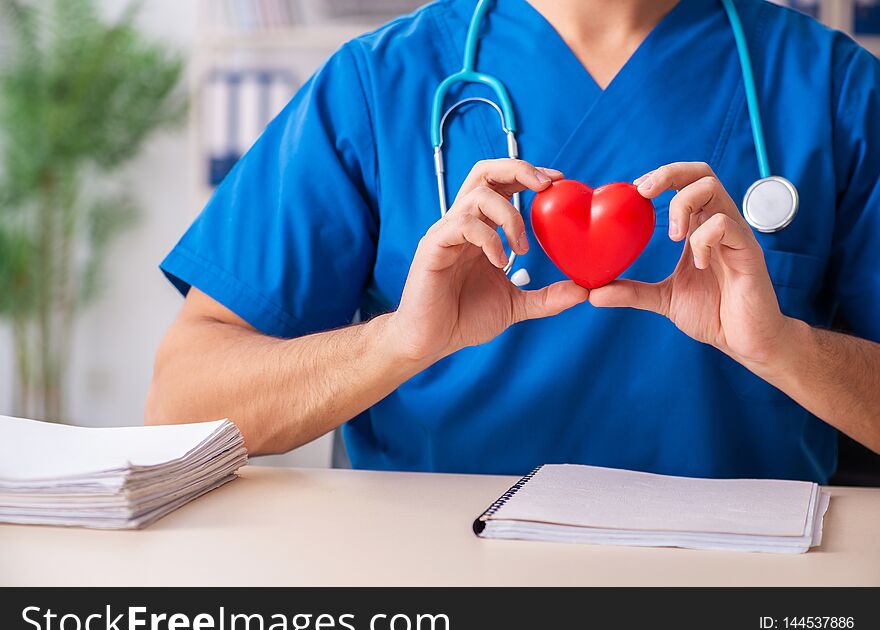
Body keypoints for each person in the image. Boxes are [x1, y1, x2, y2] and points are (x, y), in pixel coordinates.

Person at [146, 0, 880, 481]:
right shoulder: (378, 85)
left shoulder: (832, 88)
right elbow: (181, 404)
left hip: (750, 592)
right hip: (439, 588)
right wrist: (399, 341)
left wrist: (786, 348)